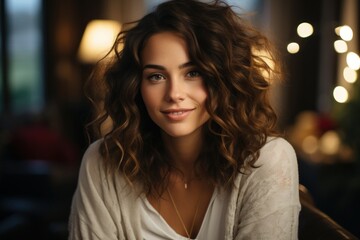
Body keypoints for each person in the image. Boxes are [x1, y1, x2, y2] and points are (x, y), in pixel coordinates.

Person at [68, 0, 301, 239]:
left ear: (224, 78)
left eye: (193, 73)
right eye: (156, 76)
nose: (174, 94)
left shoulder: (268, 159)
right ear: (136, 86)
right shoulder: (102, 162)